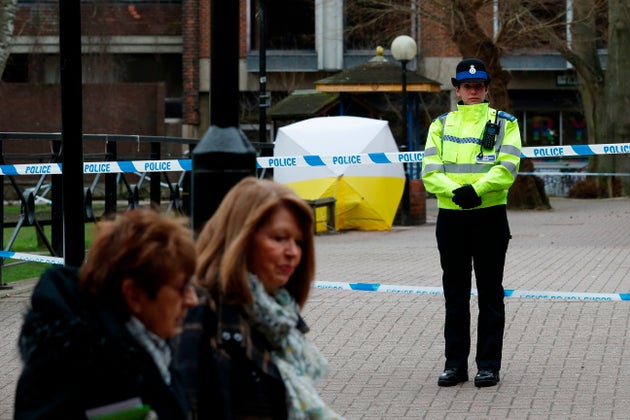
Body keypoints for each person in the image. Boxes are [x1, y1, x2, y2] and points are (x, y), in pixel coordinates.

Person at [173, 176, 342, 419]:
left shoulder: (276, 318)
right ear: (240, 240)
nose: (293, 252)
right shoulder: (201, 311)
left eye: (299, 242)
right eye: (279, 238)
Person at [15, 208, 199, 419]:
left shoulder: (149, 344)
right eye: (181, 288)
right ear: (135, 296)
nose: (192, 301)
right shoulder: (86, 377)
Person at [421, 58, 522, 388]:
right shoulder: (440, 125)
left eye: (479, 86)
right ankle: (455, 365)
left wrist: (475, 190)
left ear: (487, 89)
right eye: (467, 86)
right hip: (452, 219)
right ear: (458, 89)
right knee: (455, 295)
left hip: (489, 217)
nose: (473, 91)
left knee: (491, 295)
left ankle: (488, 365)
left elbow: (507, 167)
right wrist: (457, 192)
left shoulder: (505, 123)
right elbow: (430, 172)